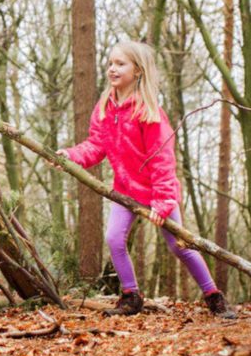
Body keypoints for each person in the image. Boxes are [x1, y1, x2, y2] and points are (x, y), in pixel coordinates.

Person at [58, 40, 236, 319]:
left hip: (157, 193)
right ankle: (131, 296)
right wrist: (69, 156)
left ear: (138, 71)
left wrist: (163, 200)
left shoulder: (148, 111)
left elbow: (162, 158)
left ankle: (214, 296)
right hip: (125, 191)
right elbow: (96, 146)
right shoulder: (104, 107)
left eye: (120, 64)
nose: (112, 69)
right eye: (110, 64)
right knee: (114, 238)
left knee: (180, 246)